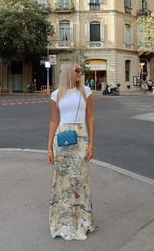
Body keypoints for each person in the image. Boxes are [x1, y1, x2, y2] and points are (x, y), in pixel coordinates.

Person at [48, 61, 95, 240]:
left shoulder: (86, 91)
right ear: (68, 71)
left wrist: (91, 144)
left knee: (81, 180)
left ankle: (82, 221)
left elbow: (90, 117)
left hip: (81, 138)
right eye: (77, 70)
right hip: (61, 140)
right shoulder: (55, 94)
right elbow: (53, 121)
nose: (80, 72)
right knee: (63, 182)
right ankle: (62, 222)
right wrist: (49, 148)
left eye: (80, 70)